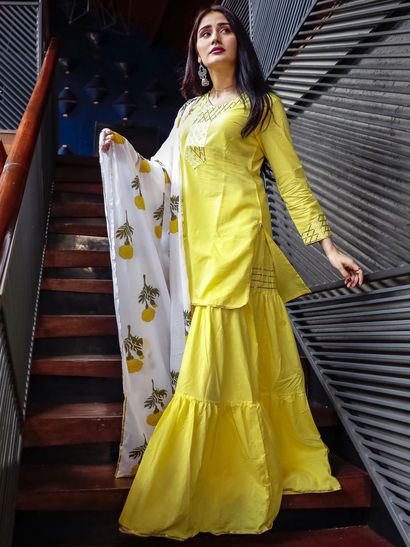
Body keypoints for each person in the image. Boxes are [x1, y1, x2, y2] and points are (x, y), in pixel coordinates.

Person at [99, 4, 363, 541]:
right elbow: (164, 177)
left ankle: (193, 490)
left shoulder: (261, 105)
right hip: (196, 253)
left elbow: (291, 179)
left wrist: (328, 247)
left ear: (238, 42)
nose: (215, 37)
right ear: (196, 51)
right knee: (236, 367)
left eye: (224, 29)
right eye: (204, 32)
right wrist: (125, 155)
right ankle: (232, 472)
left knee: (207, 373)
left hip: (242, 247)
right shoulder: (188, 114)